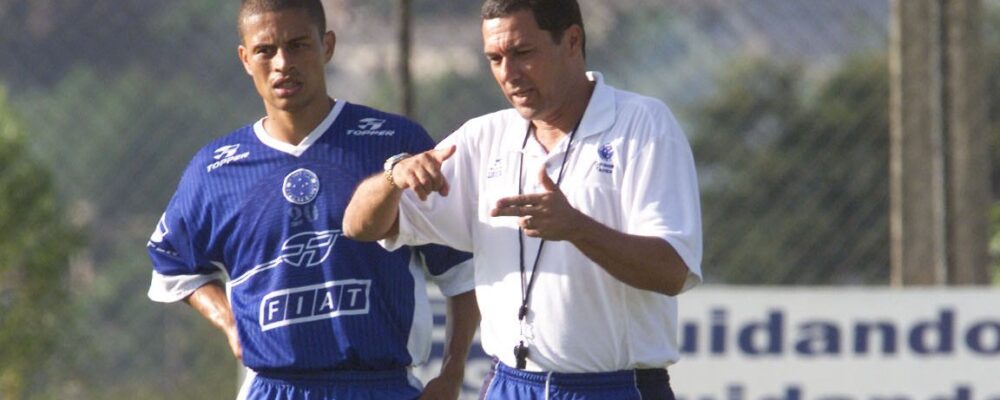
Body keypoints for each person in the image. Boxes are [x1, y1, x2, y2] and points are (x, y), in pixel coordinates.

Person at [343, 0, 703, 398]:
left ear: (572, 41)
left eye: (522, 53)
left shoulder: (643, 124)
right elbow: (358, 226)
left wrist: (577, 228)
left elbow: (673, 272)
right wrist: (393, 178)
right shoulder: (483, 137)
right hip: (510, 385)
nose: (508, 73)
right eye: (495, 58)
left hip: (616, 386)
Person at [144, 1, 480, 399]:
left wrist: (452, 373)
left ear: (327, 46)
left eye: (298, 45)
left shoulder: (395, 143)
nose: (282, 62)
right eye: (265, 50)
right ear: (244, 59)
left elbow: (462, 270)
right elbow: (173, 264)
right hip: (274, 388)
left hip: (380, 385)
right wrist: (230, 324)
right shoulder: (215, 169)